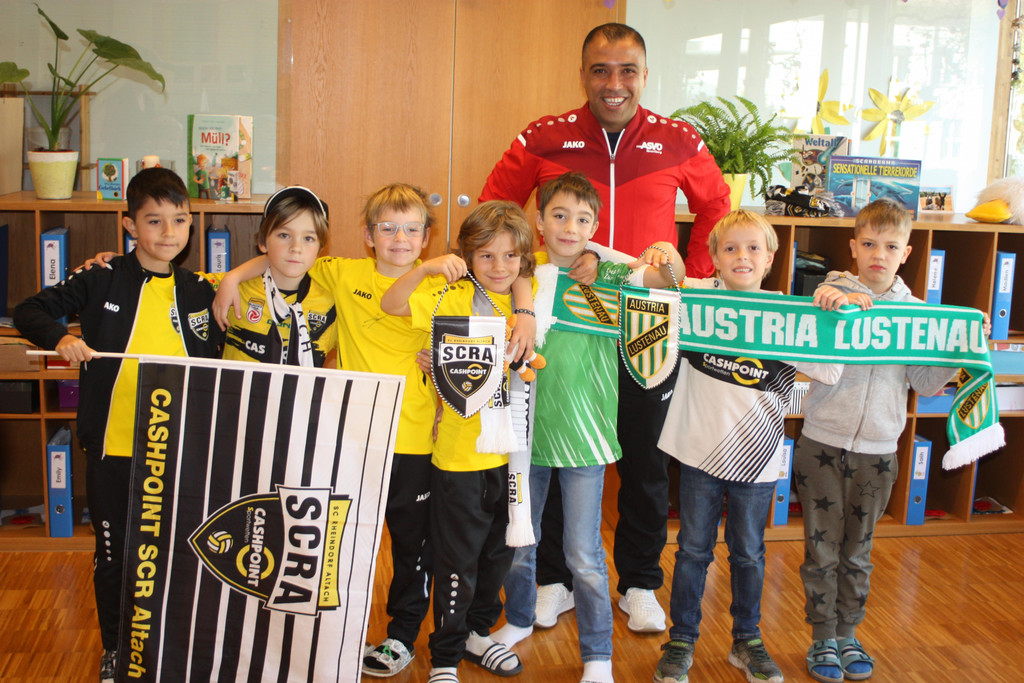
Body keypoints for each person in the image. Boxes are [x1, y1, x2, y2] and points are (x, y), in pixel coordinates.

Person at [480, 22, 731, 632]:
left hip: (646, 320)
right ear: (583, 75)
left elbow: (716, 208)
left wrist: (688, 277)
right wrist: (523, 280)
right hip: (564, 321)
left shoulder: (678, 139)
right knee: (558, 450)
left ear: (644, 76)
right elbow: (498, 211)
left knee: (645, 459)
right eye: (600, 70)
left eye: (627, 71)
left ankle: (640, 582)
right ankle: (554, 580)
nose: (613, 83)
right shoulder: (544, 137)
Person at [213, 183, 441, 676]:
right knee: (341, 542)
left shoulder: (443, 287)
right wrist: (233, 275)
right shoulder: (343, 272)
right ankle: (334, 634)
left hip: (414, 438)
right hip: (350, 439)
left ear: (426, 238)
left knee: (410, 544)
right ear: (368, 236)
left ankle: (402, 635)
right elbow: (285, 255)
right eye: (387, 228)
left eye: (411, 230)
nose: (399, 239)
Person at [12, 168, 224, 683]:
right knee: (115, 558)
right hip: (114, 448)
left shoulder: (202, 290)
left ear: (191, 223)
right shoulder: (101, 276)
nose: (168, 232)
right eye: (154, 221)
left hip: (180, 451)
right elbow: (29, 311)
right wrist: (62, 339)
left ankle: (171, 646)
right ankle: (115, 648)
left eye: (179, 220)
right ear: (130, 225)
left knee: (178, 554)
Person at [493, 172, 685, 683]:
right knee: (521, 540)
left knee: (584, 553)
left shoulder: (611, 274)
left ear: (595, 228)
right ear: (539, 221)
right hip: (526, 435)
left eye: (582, 220)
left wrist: (655, 254)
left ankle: (598, 656)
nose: (569, 228)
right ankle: (518, 619)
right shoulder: (523, 273)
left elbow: (670, 280)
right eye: (558, 216)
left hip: (587, 436)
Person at [654, 210, 842, 683]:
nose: (743, 256)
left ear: (771, 258)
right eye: (731, 248)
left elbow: (831, 370)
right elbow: (649, 294)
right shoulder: (694, 299)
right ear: (715, 258)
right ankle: (681, 640)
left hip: (756, 461)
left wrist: (835, 311)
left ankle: (747, 640)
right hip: (698, 452)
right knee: (692, 551)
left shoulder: (789, 315)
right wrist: (653, 258)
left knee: (749, 554)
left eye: (754, 248)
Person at [798, 199, 959, 683]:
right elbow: (809, 331)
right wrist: (830, 298)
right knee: (821, 549)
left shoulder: (917, 316)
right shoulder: (830, 293)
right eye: (868, 244)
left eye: (890, 247)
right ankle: (822, 637)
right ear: (853, 247)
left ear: (906, 253)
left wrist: (955, 351)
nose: (878, 255)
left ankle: (847, 633)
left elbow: (924, 383)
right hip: (821, 444)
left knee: (858, 550)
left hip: (879, 450)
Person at [381, 201, 536, 683]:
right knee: (456, 560)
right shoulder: (450, 295)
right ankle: (445, 655)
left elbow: (531, 276)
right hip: (458, 456)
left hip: (512, 457)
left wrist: (526, 310)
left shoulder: (526, 299)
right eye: (485, 256)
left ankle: (476, 632)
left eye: (509, 256)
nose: (499, 266)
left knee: (497, 555)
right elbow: (391, 304)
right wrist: (426, 268)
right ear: (467, 256)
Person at [217, 186, 336, 366]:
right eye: (284, 235)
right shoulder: (232, 290)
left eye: (308, 238)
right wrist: (230, 278)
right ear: (263, 242)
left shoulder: (330, 304)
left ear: (321, 248)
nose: (296, 248)